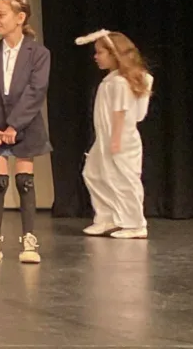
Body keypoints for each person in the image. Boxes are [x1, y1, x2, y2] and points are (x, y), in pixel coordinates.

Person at [0, 0, 52, 264]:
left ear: (20, 18)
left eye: (1, 15)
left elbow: (36, 91)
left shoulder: (39, 54)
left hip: (24, 125)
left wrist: (15, 125)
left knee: (25, 181)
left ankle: (29, 239)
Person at [76, 30, 153, 239]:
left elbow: (121, 112)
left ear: (114, 54)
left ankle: (135, 223)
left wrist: (116, 140)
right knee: (94, 173)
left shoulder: (119, 83)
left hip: (119, 138)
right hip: (105, 138)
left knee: (123, 180)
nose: (96, 57)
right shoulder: (111, 80)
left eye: (100, 52)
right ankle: (108, 218)